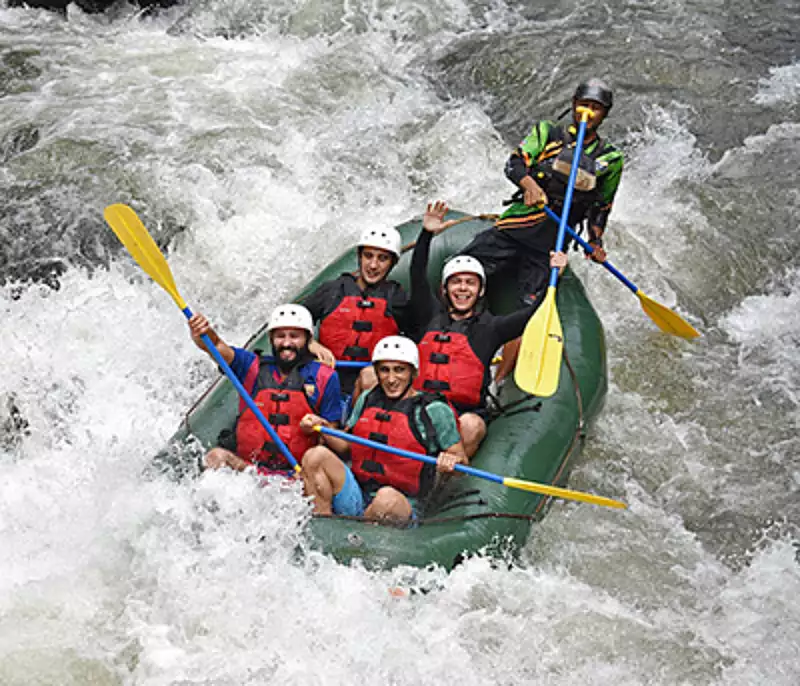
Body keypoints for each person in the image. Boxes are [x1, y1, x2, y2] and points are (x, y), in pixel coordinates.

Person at [458, 78, 624, 378]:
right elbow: (514, 164)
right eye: (584, 104)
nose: (588, 112)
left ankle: (497, 382)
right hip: (517, 225)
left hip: (553, 241)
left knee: (527, 316)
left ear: (605, 114)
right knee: (461, 270)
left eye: (596, 108)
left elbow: (602, 207)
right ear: (573, 103)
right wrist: (530, 185)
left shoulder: (610, 158)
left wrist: (596, 242)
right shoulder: (547, 132)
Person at [409, 201, 568, 456]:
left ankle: (445, 482)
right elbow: (417, 274)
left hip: (460, 416)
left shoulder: (490, 327)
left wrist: (554, 278)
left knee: (473, 426)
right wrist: (427, 233)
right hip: (418, 410)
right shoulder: (429, 314)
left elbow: (532, 315)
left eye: (470, 283)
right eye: (456, 283)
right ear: (445, 289)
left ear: (481, 290)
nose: (463, 289)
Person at [299, 335, 467, 522]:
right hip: (359, 494)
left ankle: (356, 540)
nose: (391, 379)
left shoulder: (434, 411)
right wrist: (321, 426)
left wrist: (451, 462)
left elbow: (461, 463)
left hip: (404, 503)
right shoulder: (368, 398)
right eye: (384, 370)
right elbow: (347, 445)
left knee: (386, 498)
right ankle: (323, 527)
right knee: (314, 456)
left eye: (399, 370)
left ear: (413, 372)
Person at [188, 304, 342, 475]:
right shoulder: (250, 366)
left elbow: (333, 438)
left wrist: (320, 425)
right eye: (280, 336)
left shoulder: (325, 377)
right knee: (215, 457)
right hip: (249, 470)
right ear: (271, 338)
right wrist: (204, 334)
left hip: (297, 475)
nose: (286, 343)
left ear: (308, 339)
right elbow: (215, 345)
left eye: (294, 336)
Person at [301, 225, 411, 399]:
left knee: (370, 377)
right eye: (368, 256)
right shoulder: (333, 290)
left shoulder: (397, 298)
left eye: (382, 259)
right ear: (359, 257)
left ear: (393, 263)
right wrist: (311, 343)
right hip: (328, 374)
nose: (373, 265)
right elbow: (294, 323)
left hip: (372, 383)